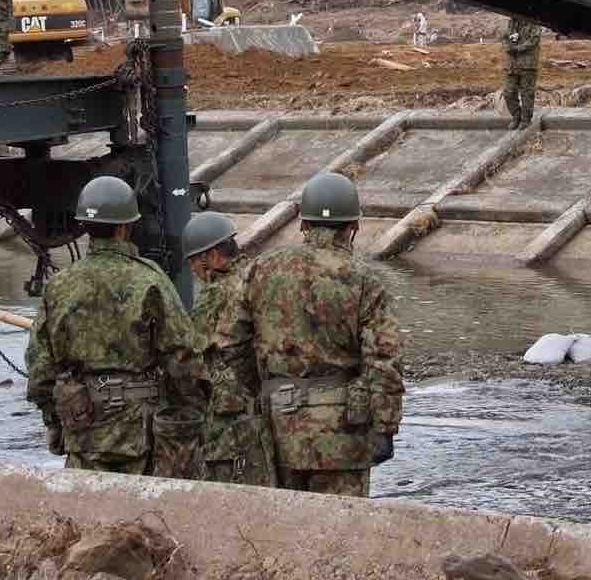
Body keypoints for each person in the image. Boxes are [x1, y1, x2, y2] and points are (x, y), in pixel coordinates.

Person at [212, 172, 404, 496]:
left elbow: (229, 343)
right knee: (340, 533)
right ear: (353, 227)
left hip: (276, 431)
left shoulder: (260, 270)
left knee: (283, 532)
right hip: (343, 436)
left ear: (303, 225)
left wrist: (262, 389)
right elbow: (384, 359)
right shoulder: (365, 280)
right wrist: (385, 427)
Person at [25, 175, 205, 475]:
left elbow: (40, 368)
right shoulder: (149, 280)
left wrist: (54, 421)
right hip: (141, 432)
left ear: (84, 225)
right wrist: (191, 413)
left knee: (86, 512)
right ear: (125, 228)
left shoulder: (59, 286)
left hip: (82, 429)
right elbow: (183, 357)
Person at [184, 211, 277, 488]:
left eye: (194, 262)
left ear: (212, 256)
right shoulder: (262, 277)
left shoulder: (216, 293)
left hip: (231, 416)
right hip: (272, 404)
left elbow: (193, 352)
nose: (192, 271)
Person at [502, 16, 543, 129]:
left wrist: (518, 48)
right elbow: (505, 37)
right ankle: (516, 116)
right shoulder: (512, 22)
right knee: (508, 92)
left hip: (527, 65)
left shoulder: (534, 23)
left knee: (527, 94)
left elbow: (534, 40)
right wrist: (508, 46)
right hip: (512, 64)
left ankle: (526, 120)